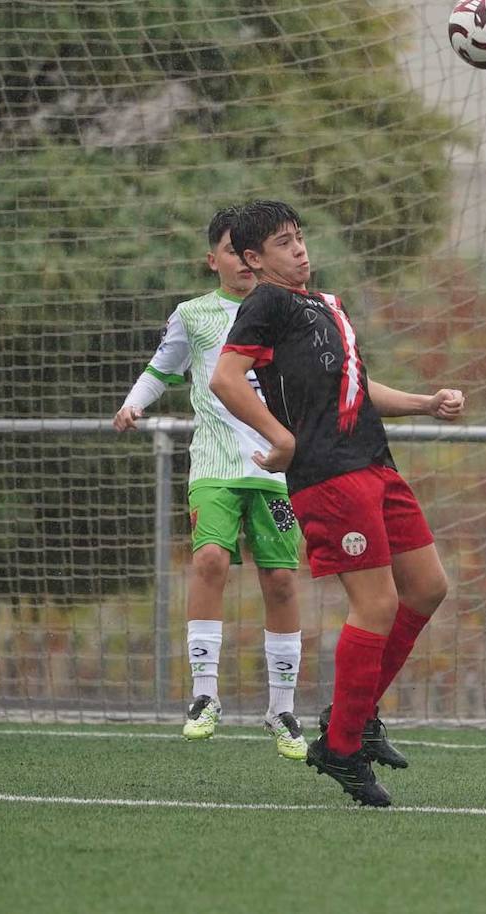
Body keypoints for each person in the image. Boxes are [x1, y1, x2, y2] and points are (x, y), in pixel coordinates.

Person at [211, 200, 464, 806]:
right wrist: (281, 439)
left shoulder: (324, 305)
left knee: (427, 587)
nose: (299, 248)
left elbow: (356, 386)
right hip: (329, 474)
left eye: (298, 237)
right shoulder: (267, 302)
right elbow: (225, 378)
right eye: (282, 242)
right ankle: (342, 747)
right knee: (376, 604)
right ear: (254, 259)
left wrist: (425, 403)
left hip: (375, 463)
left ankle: (357, 715)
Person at [113, 206, 308, 760]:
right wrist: (133, 403)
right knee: (209, 561)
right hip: (215, 469)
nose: (243, 262)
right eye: (231, 251)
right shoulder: (193, 315)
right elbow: (162, 367)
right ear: (213, 260)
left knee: (282, 579)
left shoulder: (290, 309)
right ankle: (204, 694)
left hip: (275, 472)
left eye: (250, 252)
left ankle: (282, 707)